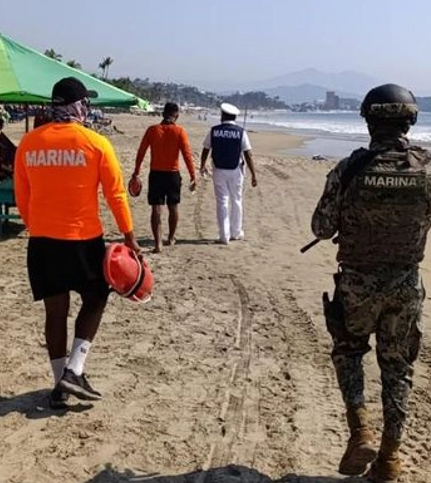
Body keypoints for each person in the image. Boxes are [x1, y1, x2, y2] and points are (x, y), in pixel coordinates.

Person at [310, 84, 431, 483]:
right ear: (410, 122)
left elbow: (321, 227)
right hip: (405, 285)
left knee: (349, 351)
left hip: (357, 283)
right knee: (397, 368)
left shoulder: (350, 169)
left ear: (368, 121)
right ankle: (390, 458)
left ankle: (360, 431)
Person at [14, 77, 140, 406]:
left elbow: (22, 195)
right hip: (82, 240)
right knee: (96, 298)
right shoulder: (95, 143)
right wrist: (129, 236)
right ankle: (74, 369)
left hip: (42, 242)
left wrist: (35, 226)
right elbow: (115, 194)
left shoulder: (29, 143)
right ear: (80, 105)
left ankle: (60, 385)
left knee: (55, 312)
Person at [130, 102, 197, 253]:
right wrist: (193, 175)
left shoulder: (152, 130)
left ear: (162, 114)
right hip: (173, 174)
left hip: (156, 174)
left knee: (156, 208)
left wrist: (136, 171)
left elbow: (141, 152)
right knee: (173, 207)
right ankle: (171, 238)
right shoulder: (180, 131)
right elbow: (187, 155)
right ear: (177, 116)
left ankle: (158, 244)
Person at [199, 103, 258, 244]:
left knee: (222, 202)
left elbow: (206, 149)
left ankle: (224, 236)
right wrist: (253, 174)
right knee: (236, 200)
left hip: (219, 170)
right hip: (236, 171)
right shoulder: (241, 132)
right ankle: (236, 232)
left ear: (223, 115)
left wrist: (202, 165)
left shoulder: (214, 131)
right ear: (235, 117)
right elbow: (248, 154)